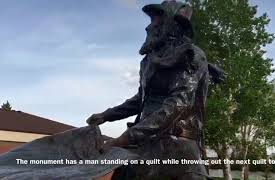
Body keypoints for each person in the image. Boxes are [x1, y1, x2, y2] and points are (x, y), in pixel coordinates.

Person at [87, 1, 224, 179]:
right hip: (145, 142)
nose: (148, 27)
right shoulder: (149, 60)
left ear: (172, 25)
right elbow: (141, 100)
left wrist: (123, 139)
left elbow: (178, 105)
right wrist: (106, 115)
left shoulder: (191, 57)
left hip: (177, 149)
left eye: (155, 20)